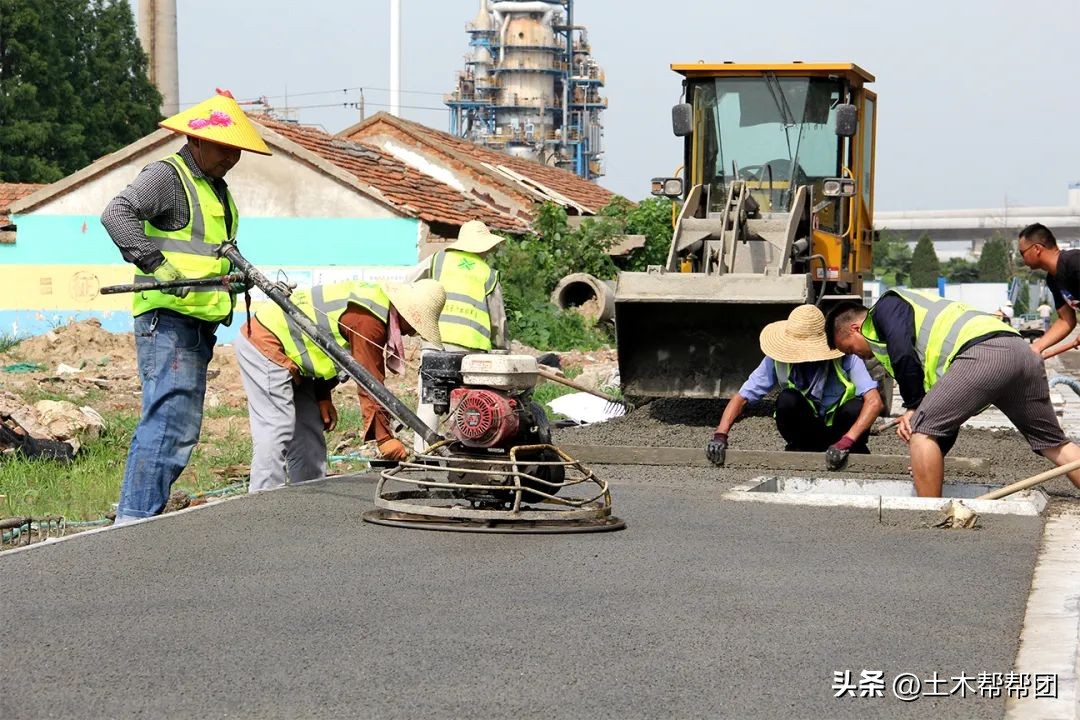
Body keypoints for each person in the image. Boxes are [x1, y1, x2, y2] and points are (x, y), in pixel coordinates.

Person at [101, 89, 272, 524]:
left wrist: (232, 279)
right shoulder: (169, 176)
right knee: (168, 423)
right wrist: (156, 265)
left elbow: (210, 251)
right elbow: (117, 213)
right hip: (169, 319)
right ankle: (135, 520)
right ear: (196, 140)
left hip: (197, 323)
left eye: (238, 150)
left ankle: (140, 515)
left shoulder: (215, 189)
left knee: (178, 426)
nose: (231, 157)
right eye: (224, 147)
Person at [826, 289, 1080, 497]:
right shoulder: (918, 325)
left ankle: (932, 516)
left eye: (848, 349)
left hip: (984, 353)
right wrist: (931, 454)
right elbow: (948, 420)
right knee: (1054, 443)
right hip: (1020, 351)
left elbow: (902, 352)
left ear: (855, 329)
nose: (855, 355)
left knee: (921, 433)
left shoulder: (886, 306)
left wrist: (914, 407)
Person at [235, 279, 445, 492]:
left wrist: (322, 395)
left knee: (309, 431)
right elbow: (368, 380)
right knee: (276, 426)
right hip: (266, 342)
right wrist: (384, 438)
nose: (412, 333)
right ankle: (262, 500)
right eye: (415, 327)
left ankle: (306, 498)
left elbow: (325, 345)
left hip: (293, 353)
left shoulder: (375, 306)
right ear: (407, 314)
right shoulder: (369, 319)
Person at [705, 305, 883, 471]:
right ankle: (800, 447)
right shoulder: (776, 360)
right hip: (805, 430)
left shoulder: (846, 356)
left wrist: (846, 441)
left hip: (841, 432)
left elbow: (874, 402)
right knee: (787, 399)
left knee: (855, 407)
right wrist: (720, 435)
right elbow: (742, 397)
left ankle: (853, 449)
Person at [410, 220, 509, 452]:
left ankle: (422, 453)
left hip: (434, 343)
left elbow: (408, 283)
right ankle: (471, 447)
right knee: (468, 401)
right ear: (484, 247)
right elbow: (498, 320)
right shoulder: (487, 273)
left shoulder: (438, 260)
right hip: (470, 350)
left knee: (429, 400)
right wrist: (502, 350)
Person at [1017, 223, 1080, 356]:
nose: (1023, 259)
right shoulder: (1053, 279)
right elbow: (1066, 320)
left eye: (1022, 253)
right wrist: (1037, 347)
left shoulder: (1074, 261)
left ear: (1037, 249)